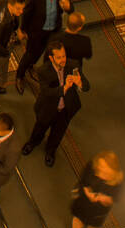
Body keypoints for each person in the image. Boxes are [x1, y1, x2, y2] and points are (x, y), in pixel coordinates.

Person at [21, 38, 83, 166]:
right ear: (51, 58)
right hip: (48, 108)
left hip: (66, 109)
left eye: (64, 56)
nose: (63, 60)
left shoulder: (73, 65)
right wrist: (64, 88)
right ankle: (33, 142)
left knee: (58, 133)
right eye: (59, 57)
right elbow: (46, 92)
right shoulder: (43, 71)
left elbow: (86, 86)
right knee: (40, 128)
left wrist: (80, 83)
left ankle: (50, 151)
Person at [15, 0, 71, 91]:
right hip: (37, 32)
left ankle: (31, 67)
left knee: (42, 53)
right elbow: (26, 14)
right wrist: (22, 29)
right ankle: (20, 76)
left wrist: (67, 7)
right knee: (30, 54)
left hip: (53, 31)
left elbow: (69, 7)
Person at [62, 151, 123, 228]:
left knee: (93, 226)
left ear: (112, 171)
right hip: (84, 200)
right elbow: (83, 179)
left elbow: (116, 198)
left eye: (104, 170)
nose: (99, 171)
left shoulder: (118, 181)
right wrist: (86, 191)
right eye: (100, 166)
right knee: (78, 217)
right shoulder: (93, 165)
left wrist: (102, 198)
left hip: (99, 208)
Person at [61, 12, 92, 91]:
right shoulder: (85, 41)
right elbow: (88, 55)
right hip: (75, 67)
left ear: (67, 23)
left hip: (59, 64)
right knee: (73, 83)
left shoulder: (56, 38)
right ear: (79, 28)